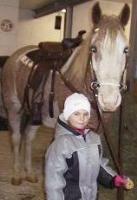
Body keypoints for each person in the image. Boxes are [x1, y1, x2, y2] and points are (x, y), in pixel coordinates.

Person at [45, 93, 134, 200]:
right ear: (67, 115)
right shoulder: (60, 144)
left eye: (85, 114)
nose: (82, 118)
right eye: (76, 114)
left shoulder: (94, 139)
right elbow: (54, 182)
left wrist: (114, 179)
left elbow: (99, 165)